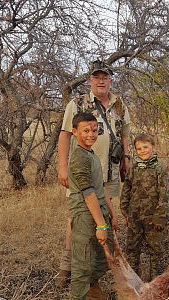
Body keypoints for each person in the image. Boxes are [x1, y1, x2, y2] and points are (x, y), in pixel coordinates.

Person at [56, 59, 131, 298]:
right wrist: (62, 167)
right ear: (90, 80)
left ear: (110, 80)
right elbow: (65, 134)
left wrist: (126, 159)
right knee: (79, 220)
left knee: (103, 214)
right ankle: (68, 267)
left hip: (108, 171)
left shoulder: (119, 104)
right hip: (83, 172)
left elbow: (125, 134)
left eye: (105, 77)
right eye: (96, 77)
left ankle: (92, 278)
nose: (101, 81)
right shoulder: (77, 103)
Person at [68, 112, 117, 300]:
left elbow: (100, 187)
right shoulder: (79, 157)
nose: (91, 134)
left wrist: (112, 214)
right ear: (74, 132)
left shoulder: (91, 154)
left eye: (95, 130)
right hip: (85, 217)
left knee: (103, 256)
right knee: (83, 263)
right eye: (86, 130)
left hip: (99, 214)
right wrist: (101, 225)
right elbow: (88, 194)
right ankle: (80, 294)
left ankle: (92, 289)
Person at [120, 133, 169, 281]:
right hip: (134, 217)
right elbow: (126, 191)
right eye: (139, 149)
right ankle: (133, 278)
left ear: (153, 148)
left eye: (146, 147)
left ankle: (153, 278)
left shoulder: (159, 170)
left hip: (152, 219)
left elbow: (165, 196)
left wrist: (159, 219)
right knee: (132, 247)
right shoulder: (134, 169)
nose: (142, 151)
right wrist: (126, 213)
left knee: (154, 249)